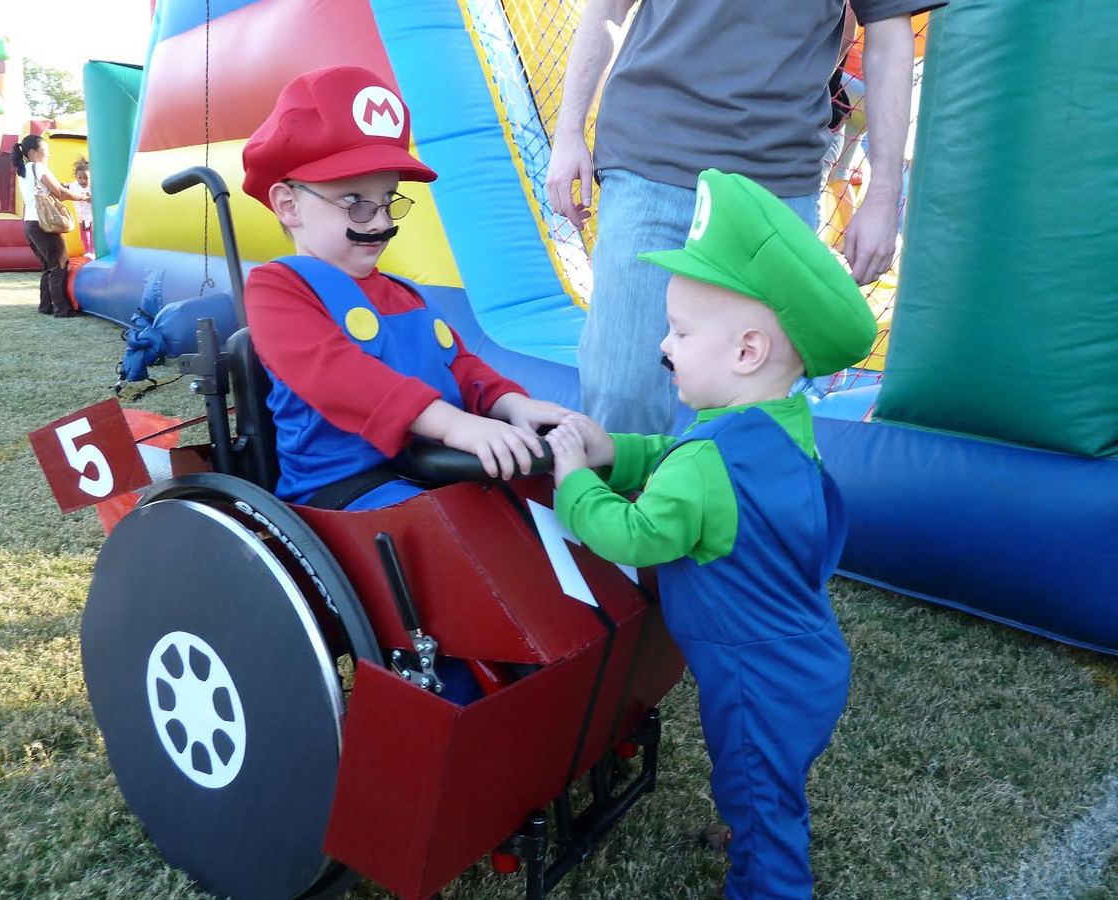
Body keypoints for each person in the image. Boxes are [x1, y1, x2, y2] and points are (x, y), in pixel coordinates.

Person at [546, 169, 877, 898]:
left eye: (682, 332)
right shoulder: (780, 429)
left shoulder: (704, 463)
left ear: (748, 353)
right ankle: (751, 828)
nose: (664, 347)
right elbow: (683, 465)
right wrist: (620, 450)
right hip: (804, 666)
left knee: (763, 804)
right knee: (762, 786)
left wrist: (574, 478)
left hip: (757, 683)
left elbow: (633, 534)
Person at [547, 0, 942, 435]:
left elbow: (887, 33)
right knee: (624, 386)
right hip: (651, 154)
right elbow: (607, 9)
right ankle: (621, 499)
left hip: (776, 175)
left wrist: (884, 194)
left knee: (755, 401)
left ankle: (723, 500)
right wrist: (568, 134)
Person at [241, 66, 570, 512]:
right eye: (355, 203)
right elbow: (338, 376)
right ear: (288, 205)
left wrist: (510, 403)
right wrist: (452, 425)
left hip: (434, 467)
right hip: (345, 492)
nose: (381, 222)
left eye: (388, 200)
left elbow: (461, 367)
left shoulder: (408, 294)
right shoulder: (279, 287)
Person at [12, 134, 89, 317]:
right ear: (32, 152)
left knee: (48, 266)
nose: (48, 156)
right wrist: (83, 197)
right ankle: (62, 309)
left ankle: (45, 306)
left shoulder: (23, 170)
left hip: (30, 224)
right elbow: (61, 193)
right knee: (60, 265)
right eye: (45, 152)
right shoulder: (38, 167)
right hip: (44, 224)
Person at [72, 156, 94, 259]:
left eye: (86, 178)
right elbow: (68, 189)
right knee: (84, 235)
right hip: (81, 217)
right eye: (80, 178)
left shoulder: (93, 186)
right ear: (76, 177)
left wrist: (90, 198)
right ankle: (87, 251)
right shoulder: (74, 186)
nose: (83, 180)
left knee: (93, 233)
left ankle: (92, 251)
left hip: (91, 216)